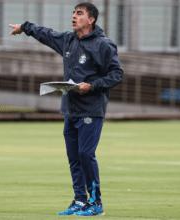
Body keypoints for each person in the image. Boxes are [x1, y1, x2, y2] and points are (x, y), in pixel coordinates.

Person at [10, 2, 123, 216]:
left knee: (85, 153)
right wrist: (25, 27)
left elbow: (117, 74)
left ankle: (96, 203)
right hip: (70, 110)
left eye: (79, 13)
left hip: (91, 109)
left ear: (91, 20)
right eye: (73, 13)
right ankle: (80, 201)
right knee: (74, 157)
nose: (73, 16)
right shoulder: (69, 40)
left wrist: (92, 86)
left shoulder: (103, 45)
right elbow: (46, 34)